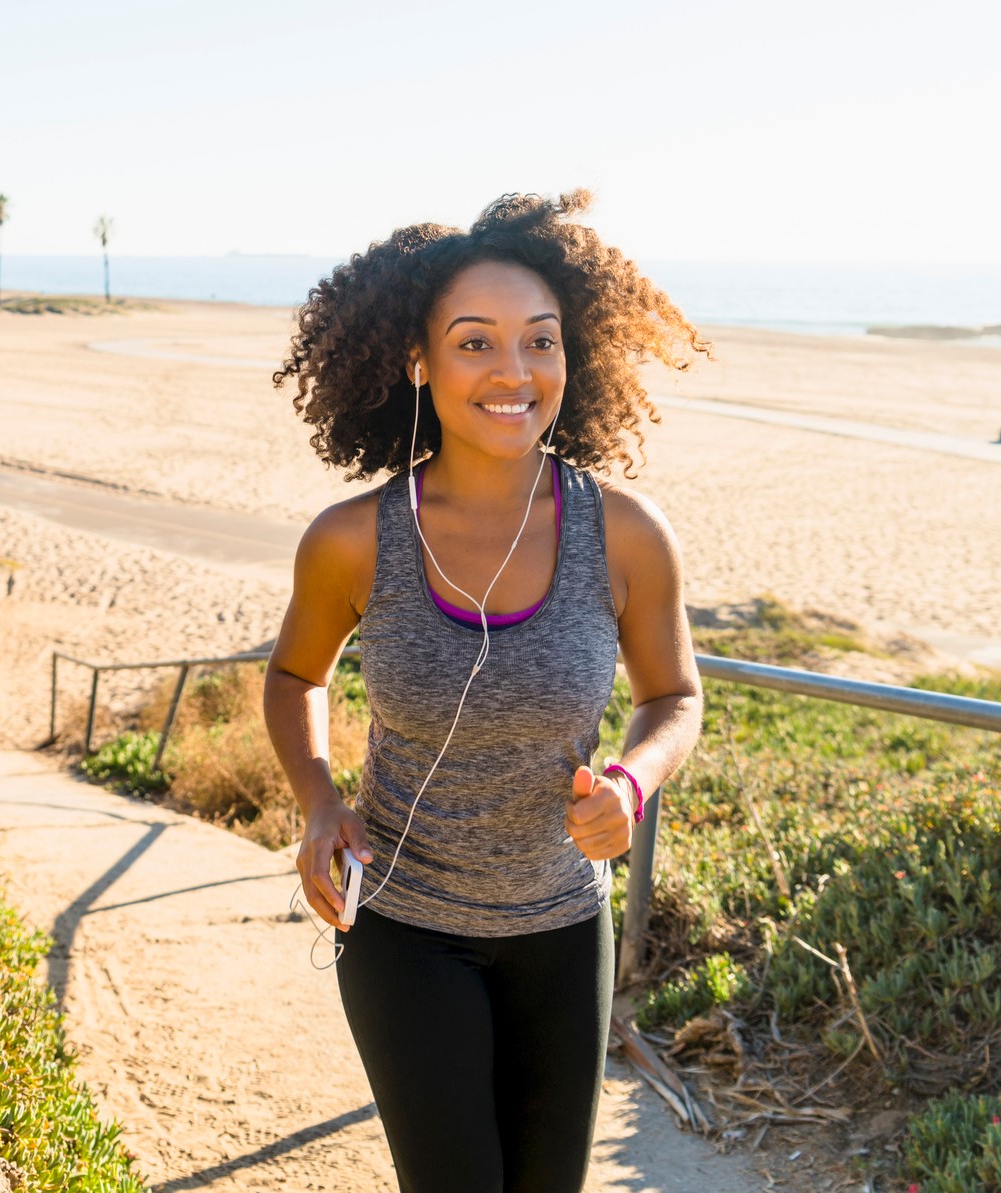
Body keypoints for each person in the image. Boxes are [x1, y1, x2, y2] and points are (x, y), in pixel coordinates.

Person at [263, 192, 706, 1192]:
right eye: (474, 343)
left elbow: (674, 693)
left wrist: (629, 786)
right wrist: (319, 801)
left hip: (560, 928)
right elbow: (294, 673)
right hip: (404, 928)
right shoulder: (350, 539)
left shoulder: (625, 532)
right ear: (416, 360)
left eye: (538, 341)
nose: (512, 372)